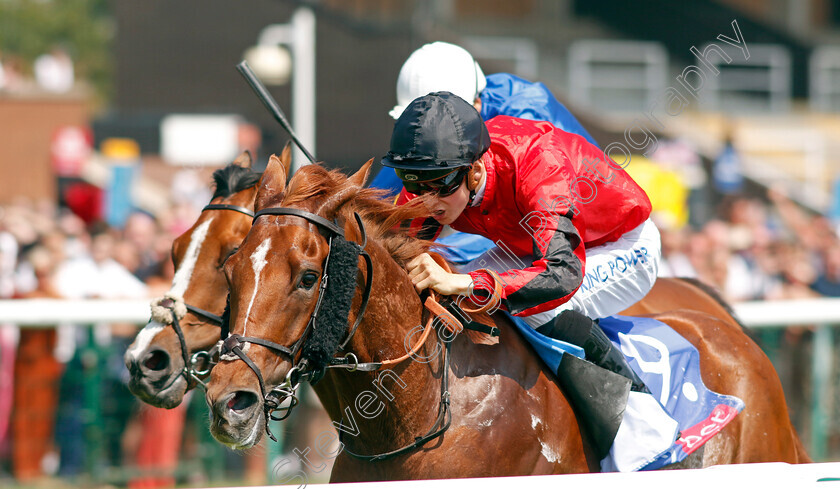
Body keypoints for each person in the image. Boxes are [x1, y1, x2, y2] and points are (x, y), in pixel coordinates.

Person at [386, 92, 674, 468]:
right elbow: (392, 252)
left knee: (528, 306)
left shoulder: (538, 162)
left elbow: (562, 273)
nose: (426, 200)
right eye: (414, 183)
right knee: (454, 279)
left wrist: (473, 284)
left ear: (475, 169)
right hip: (533, 246)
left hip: (618, 243)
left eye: (440, 186)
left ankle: (642, 426)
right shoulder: (440, 177)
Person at [371, 41, 597, 193]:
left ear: (476, 104)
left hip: (600, 229)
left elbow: (514, 219)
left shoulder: (526, 119)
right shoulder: (469, 106)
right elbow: (381, 196)